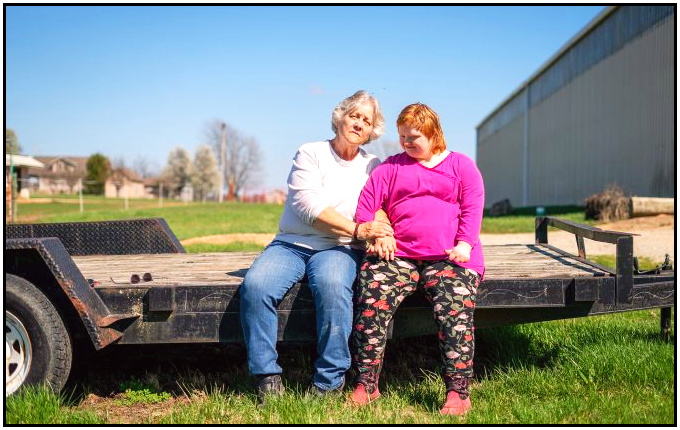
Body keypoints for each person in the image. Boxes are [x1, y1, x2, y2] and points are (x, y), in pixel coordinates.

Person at [239, 90, 394, 406]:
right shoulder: (310, 152)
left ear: (372, 131)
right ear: (341, 116)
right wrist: (357, 229)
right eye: (354, 115)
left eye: (366, 120)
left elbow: (380, 204)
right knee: (256, 286)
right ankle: (266, 377)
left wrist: (381, 228)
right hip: (293, 243)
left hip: (340, 247)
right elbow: (308, 205)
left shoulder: (373, 164)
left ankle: (328, 381)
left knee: (334, 286)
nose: (358, 123)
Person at [348, 103, 485, 416]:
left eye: (414, 136)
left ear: (433, 134)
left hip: (451, 257)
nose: (407, 142)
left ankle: (458, 391)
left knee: (453, 307)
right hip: (401, 256)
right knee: (372, 298)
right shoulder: (390, 168)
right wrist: (378, 235)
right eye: (403, 136)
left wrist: (464, 244)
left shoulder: (461, 166)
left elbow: (472, 207)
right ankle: (367, 384)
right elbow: (365, 209)